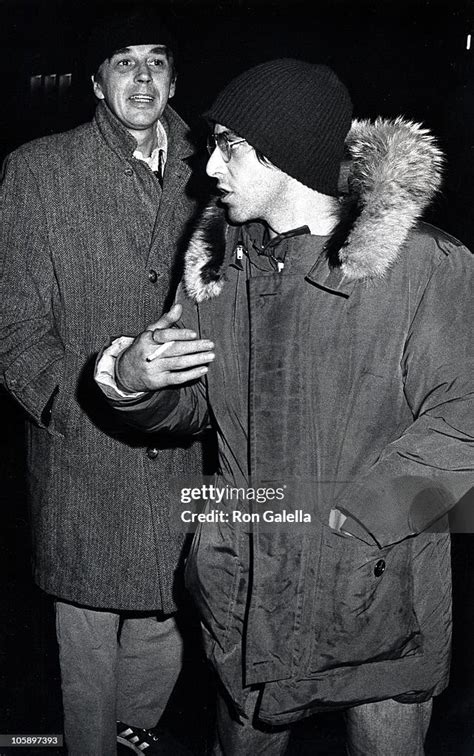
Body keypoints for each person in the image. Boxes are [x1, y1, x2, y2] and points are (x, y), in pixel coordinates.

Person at [95, 60, 474, 754]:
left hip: (379, 602)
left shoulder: (424, 267)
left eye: (228, 146)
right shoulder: (217, 267)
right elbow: (193, 409)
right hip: (247, 590)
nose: (208, 167)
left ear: (288, 153)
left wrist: (359, 527)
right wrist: (135, 379)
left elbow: (466, 424)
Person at [0, 7, 208, 756]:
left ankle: (136, 739)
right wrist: (81, 397)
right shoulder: (37, 171)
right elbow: (13, 325)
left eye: (157, 60)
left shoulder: (218, 168)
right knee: (87, 640)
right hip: (86, 452)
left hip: (188, 441)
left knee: (170, 615)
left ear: (176, 78)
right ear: (96, 82)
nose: (144, 76)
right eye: (125, 62)